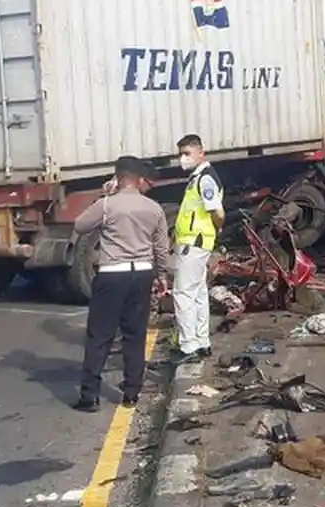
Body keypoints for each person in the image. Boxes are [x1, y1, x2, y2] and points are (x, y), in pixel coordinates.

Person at [73, 156, 170, 412]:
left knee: (100, 335)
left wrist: (101, 198)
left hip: (112, 274)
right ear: (139, 180)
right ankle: (131, 394)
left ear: (117, 178)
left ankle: (89, 396)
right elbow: (161, 247)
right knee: (135, 335)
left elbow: (80, 225)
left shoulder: (106, 205)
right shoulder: (154, 208)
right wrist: (162, 276)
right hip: (142, 273)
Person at [172, 134, 224, 363]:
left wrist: (215, 230)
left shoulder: (204, 180)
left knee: (183, 294)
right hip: (198, 243)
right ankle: (202, 342)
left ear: (201, 153)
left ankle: (188, 347)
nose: (182, 159)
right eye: (181, 154)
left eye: (187, 154)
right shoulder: (199, 178)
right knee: (199, 293)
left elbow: (218, 213)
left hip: (194, 244)